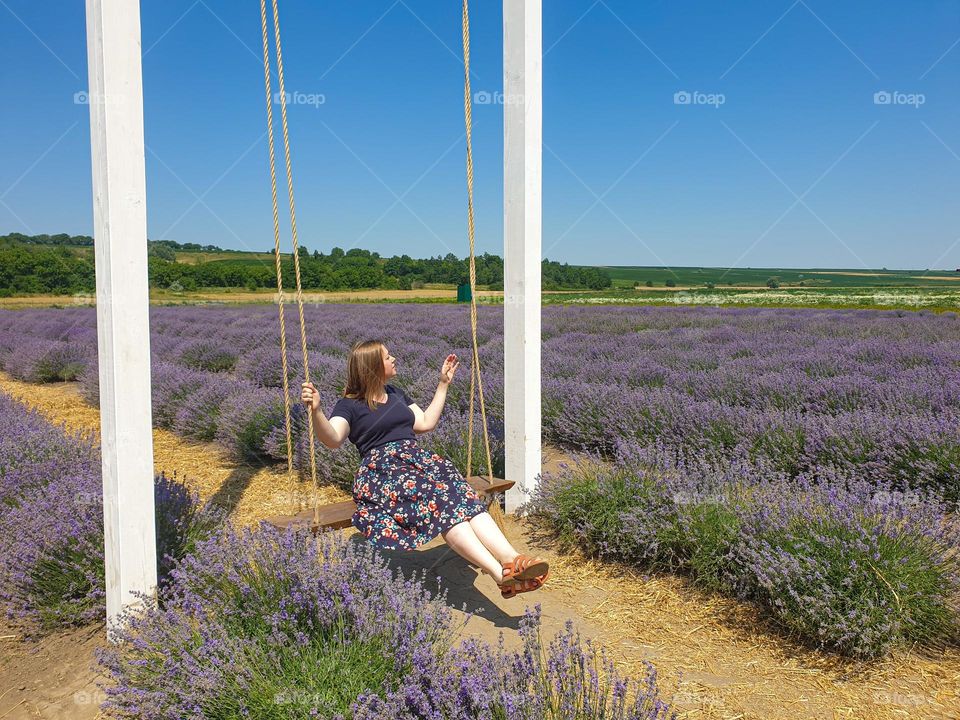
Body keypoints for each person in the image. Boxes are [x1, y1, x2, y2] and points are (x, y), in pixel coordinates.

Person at [300, 339, 548, 598]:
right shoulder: (349, 404)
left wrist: (443, 384)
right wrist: (317, 411)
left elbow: (426, 423)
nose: (394, 358)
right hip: (384, 472)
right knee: (443, 504)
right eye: (387, 357)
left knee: (463, 497)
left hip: (418, 463)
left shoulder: (396, 393)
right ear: (372, 366)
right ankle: (500, 575)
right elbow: (332, 439)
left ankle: (512, 560)